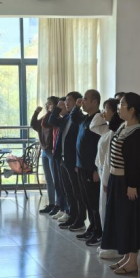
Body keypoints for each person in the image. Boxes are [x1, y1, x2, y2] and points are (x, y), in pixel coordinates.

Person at [101, 93, 140, 274]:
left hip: (128, 183)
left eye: (122, 104)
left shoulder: (137, 132)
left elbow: (134, 162)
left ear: (132, 109)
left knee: (131, 221)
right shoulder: (123, 126)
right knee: (121, 220)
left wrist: (132, 185)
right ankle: (126, 257)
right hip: (117, 180)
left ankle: (133, 261)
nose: (119, 107)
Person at [73, 90, 108, 246]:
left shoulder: (99, 120)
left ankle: (99, 231)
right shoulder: (85, 118)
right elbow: (74, 118)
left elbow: (99, 147)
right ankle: (92, 227)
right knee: (87, 200)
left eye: (86, 99)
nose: (83, 101)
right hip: (81, 166)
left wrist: (96, 169)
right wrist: (76, 106)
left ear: (95, 102)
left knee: (94, 202)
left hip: (91, 169)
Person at [48, 92, 85, 232]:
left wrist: (77, 108)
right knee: (68, 191)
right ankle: (72, 215)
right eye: (65, 101)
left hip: (73, 160)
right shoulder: (66, 118)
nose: (66, 103)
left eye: (69, 100)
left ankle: (80, 219)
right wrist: (57, 108)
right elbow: (52, 120)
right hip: (63, 159)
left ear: (77, 102)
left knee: (77, 192)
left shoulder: (78, 117)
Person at [95, 98, 123, 260]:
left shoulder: (117, 131)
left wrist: (106, 180)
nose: (103, 112)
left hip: (110, 176)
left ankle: (114, 246)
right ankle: (108, 242)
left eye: (106, 109)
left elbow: (110, 160)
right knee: (103, 211)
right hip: (104, 174)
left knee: (109, 213)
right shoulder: (109, 129)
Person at [30, 97, 60, 215]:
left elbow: (48, 124)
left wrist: (52, 111)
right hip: (44, 151)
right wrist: (36, 112)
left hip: (51, 151)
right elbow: (34, 125)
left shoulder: (54, 118)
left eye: (50, 104)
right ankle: (51, 203)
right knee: (48, 179)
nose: (47, 105)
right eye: (47, 104)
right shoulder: (45, 117)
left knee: (55, 178)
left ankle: (58, 204)